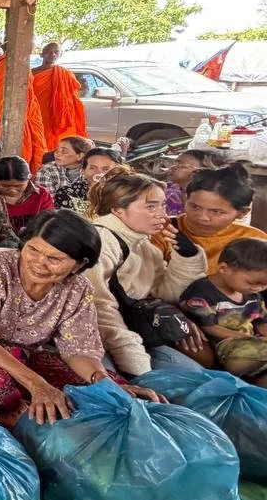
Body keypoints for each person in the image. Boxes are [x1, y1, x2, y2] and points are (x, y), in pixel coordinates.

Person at [0, 210, 158, 424]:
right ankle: (13, 413)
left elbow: (77, 350)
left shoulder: (77, 288)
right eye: (33, 249)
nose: (38, 263)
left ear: (79, 265)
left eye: (54, 259)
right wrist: (37, 384)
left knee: (95, 388)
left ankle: (28, 400)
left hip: (21, 351)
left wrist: (102, 381)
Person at [85, 171, 210, 377]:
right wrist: (140, 371)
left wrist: (187, 257)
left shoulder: (144, 245)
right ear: (117, 210)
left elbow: (164, 293)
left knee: (197, 377)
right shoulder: (101, 241)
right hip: (93, 335)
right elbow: (99, 309)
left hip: (133, 329)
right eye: (151, 206)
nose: (162, 215)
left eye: (162, 205)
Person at [179, 238, 267, 386]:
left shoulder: (252, 296)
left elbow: (261, 321)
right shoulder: (201, 293)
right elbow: (209, 327)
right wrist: (247, 338)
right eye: (253, 283)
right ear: (224, 268)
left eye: (265, 285)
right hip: (225, 347)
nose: (259, 289)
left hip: (252, 344)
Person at [177, 163, 266, 273]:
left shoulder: (254, 241)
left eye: (216, 212)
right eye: (195, 206)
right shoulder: (163, 231)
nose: (202, 217)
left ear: (242, 213)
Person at [0, 53, 48, 173]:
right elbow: (11, 96)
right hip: (17, 115)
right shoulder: (9, 63)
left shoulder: (14, 61)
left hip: (29, 113)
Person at [31, 41, 87, 149]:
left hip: (57, 115)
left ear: (60, 55)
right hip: (37, 112)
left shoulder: (65, 73)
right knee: (37, 140)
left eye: (56, 52)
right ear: (42, 54)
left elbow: (73, 96)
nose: (53, 55)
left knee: (55, 143)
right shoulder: (32, 73)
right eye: (49, 51)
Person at [0, 155, 54, 236]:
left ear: (29, 178)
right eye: (5, 186)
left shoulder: (41, 195)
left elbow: (49, 224)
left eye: (18, 186)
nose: (12, 190)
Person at [54, 146, 121, 214]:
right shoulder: (67, 193)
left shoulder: (126, 194)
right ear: (83, 170)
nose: (99, 173)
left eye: (106, 169)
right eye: (92, 168)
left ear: (118, 171)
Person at [165, 148, 224, 216]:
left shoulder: (214, 198)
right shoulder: (166, 190)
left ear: (198, 172)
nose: (173, 167)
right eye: (175, 163)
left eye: (181, 165)